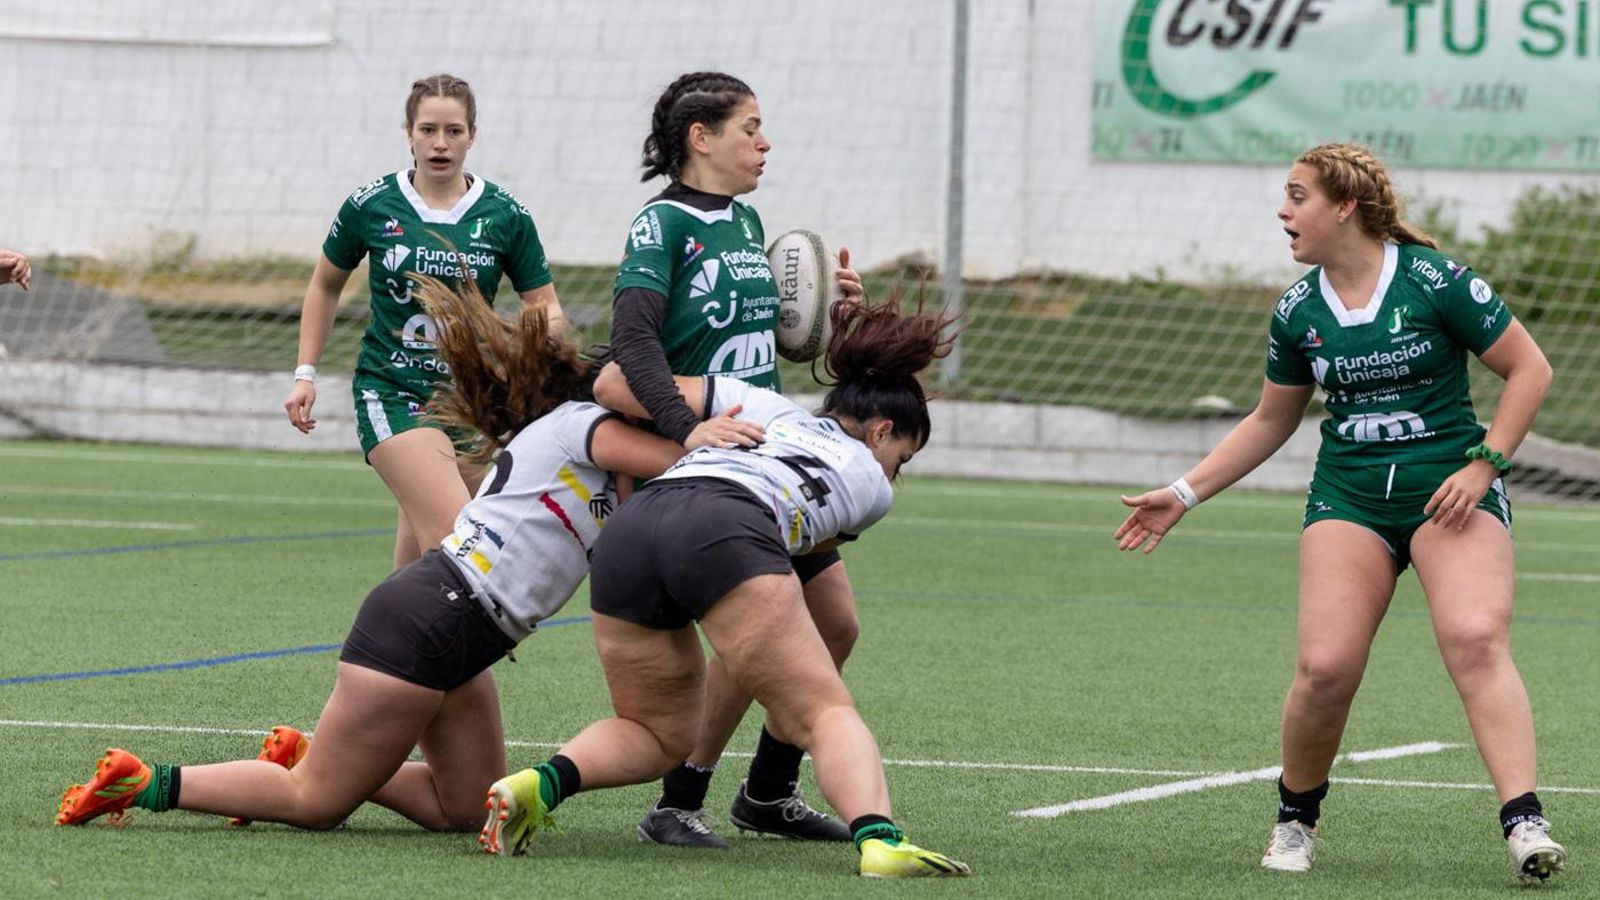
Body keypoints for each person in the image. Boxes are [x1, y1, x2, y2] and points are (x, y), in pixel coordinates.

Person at [54, 273, 760, 834]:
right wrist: (734, 422)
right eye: (661, 395)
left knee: (460, 807)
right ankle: (145, 782)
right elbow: (680, 457)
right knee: (316, 803)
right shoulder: (586, 424)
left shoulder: (611, 466)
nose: (674, 404)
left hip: (463, 633)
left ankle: (308, 752)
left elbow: (656, 500)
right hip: (431, 619)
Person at [1114, 142, 1565, 884]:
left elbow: (1530, 368)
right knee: (1326, 669)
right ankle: (1296, 817)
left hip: (1448, 492)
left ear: (1344, 206)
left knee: (1476, 637)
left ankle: (1525, 822)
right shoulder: (1297, 312)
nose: (1282, 212)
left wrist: (1485, 464)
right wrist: (1184, 492)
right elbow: (1269, 421)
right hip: (1349, 496)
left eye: (1297, 197)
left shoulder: (1432, 280)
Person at [479, 293, 971, 878]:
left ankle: (538, 784)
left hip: (633, 525)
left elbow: (620, 382)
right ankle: (881, 840)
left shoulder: (766, 405)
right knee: (823, 708)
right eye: (902, 457)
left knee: (655, 730)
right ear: (881, 431)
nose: (896, 473)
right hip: (724, 525)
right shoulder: (875, 490)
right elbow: (795, 549)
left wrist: (689, 429)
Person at [611, 69, 868, 848]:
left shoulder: (749, 225)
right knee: (753, 644)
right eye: (750, 127)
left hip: (772, 458)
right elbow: (632, 344)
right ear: (702, 137)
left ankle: (766, 794)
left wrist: (833, 311)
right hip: (715, 473)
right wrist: (685, 431)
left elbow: (773, 342)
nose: (764, 142)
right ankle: (677, 800)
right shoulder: (662, 228)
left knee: (837, 625)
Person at [284, 73, 567, 571]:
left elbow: (543, 306)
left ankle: (395, 648)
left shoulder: (505, 215)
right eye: (428, 130)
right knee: (460, 543)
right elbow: (325, 285)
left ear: (472, 135)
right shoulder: (371, 204)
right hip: (392, 390)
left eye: (454, 131)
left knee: (419, 557)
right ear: (408, 133)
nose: (440, 143)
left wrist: (544, 352)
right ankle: (438, 641)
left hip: (471, 400)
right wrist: (305, 372)